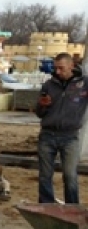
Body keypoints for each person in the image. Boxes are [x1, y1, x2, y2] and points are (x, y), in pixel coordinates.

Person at [35, 53, 88, 204]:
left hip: (70, 137)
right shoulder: (48, 85)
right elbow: (39, 113)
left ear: (71, 66)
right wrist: (42, 105)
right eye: (55, 68)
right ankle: (47, 206)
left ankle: (72, 208)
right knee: (45, 174)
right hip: (47, 135)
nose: (57, 71)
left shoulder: (84, 84)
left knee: (70, 175)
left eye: (61, 68)